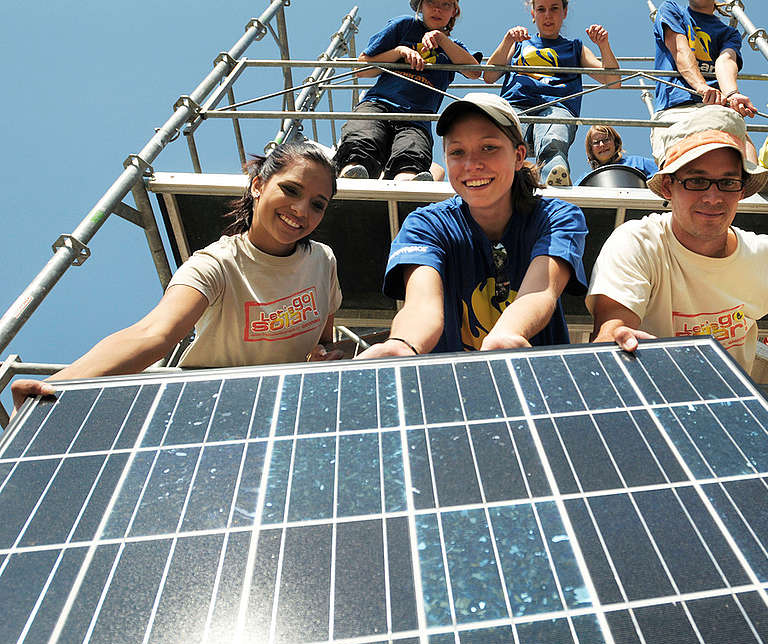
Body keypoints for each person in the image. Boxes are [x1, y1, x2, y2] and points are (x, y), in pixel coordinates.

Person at [587, 108, 768, 413]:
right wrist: (611, 340)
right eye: (697, 182)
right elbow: (614, 328)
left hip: (730, 410)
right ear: (667, 187)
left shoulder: (761, 254)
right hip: (649, 407)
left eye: (728, 183)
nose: (714, 197)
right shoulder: (638, 243)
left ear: (741, 190)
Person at [11, 141, 344, 409]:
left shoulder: (323, 261)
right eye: (291, 190)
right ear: (258, 185)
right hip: (206, 407)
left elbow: (324, 340)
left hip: (284, 406)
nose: (302, 210)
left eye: (318, 204)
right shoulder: (216, 263)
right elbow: (154, 334)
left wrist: (322, 354)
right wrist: (58, 384)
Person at [359, 92, 587, 358]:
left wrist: (507, 335)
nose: (472, 165)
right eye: (457, 152)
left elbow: (541, 290)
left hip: (538, 385)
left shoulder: (558, 217)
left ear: (518, 156)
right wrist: (403, 344)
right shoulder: (425, 225)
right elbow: (421, 306)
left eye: (488, 147)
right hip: (451, 388)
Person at [334, 0, 479, 182]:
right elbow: (361, 69)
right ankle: (352, 177)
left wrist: (441, 39)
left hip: (418, 117)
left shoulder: (454, 47)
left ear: (453, 12)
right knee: (362, 140)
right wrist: (399, 51)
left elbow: (475, 71)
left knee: (412, 154)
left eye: (446, 4)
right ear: (420, 6)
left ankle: (406, 187)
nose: (437, 9)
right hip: (378, 104)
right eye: (431, 2)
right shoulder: (404, 25)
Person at [483, 0, 621, 187]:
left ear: (564, 12)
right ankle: (499, 179)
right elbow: (489, 75)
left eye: (554, 8)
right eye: (541, 9)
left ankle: (555, 175)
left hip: (557, 106)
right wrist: (508, 40)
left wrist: (603, 45)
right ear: (533, 14)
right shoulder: (518, 44)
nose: (547, 15)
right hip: (516, 105)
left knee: (553, 137)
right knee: (505, 142)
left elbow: (614, 82)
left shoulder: (575, 48)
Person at [650, 0, 760, 166]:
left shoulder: (729, 33)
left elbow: (726, 60)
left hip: (716, 106)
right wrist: (701, 86)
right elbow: (680, 48)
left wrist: (732, 93)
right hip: (676, 107)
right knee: (679, 166)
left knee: (740, 145)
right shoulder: (671, 9)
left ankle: (755, 181)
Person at [583, 124, 658, 179]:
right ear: (591, 149)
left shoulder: (638, 162)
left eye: (606, 140)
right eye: (596, 142)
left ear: (615, 143)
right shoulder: (587, 179)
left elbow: (663, 173)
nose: (602, 144)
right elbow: (572, 198)